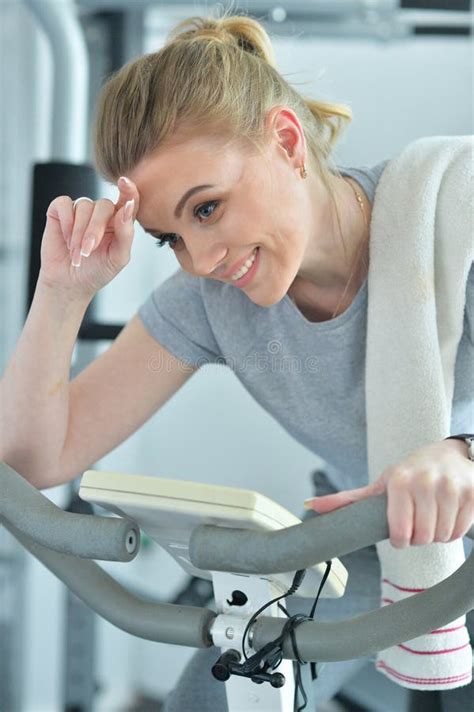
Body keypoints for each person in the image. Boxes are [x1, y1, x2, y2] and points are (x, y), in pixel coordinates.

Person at [0, 12, 472, 712]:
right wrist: (63, 294)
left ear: (285, 141)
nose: (203, 260)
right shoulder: (207, 302)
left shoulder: (453, 219)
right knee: (212, 696)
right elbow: (35, 458)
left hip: (439, 519)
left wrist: (461, 452)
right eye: (171, 238)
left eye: (209, 208)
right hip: (386, 541)